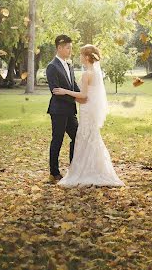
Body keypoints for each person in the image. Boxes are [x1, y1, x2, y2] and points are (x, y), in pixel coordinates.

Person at [53, 44, 125, 188]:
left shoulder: (87, 74)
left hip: (86, 110)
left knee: (85, 138)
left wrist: (65, 91)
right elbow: (88, 96)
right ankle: (96, 169)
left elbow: (84, 95)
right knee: (92, 138)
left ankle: (85, 171)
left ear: (86, 57)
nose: (79, 57)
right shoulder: (96, 73)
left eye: (80, 54)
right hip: (88, 109)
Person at [46, 35, 86, 183]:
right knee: (57, 139)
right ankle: (54, 173)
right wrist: (73, 97)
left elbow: (73, 85)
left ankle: (73, 168)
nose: (70, 50)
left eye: (71, 47)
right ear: (59, 48)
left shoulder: (69, 65)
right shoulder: (52, 66)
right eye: (68, 47)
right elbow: (55, 90)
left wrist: (82, 97)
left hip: (70, 111)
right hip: (58, 111)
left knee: (78, 137)